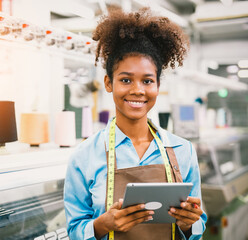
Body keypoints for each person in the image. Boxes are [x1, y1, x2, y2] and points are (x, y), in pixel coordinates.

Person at [64, 7, 207, 240]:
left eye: (147, 80)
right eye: (126, 79)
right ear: (109, 83)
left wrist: (188, 224)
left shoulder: (183, 150)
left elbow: (198, 225)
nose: (137, 90)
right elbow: (74, 230)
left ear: (158, 86)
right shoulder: (84, 156)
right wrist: (102, 225)